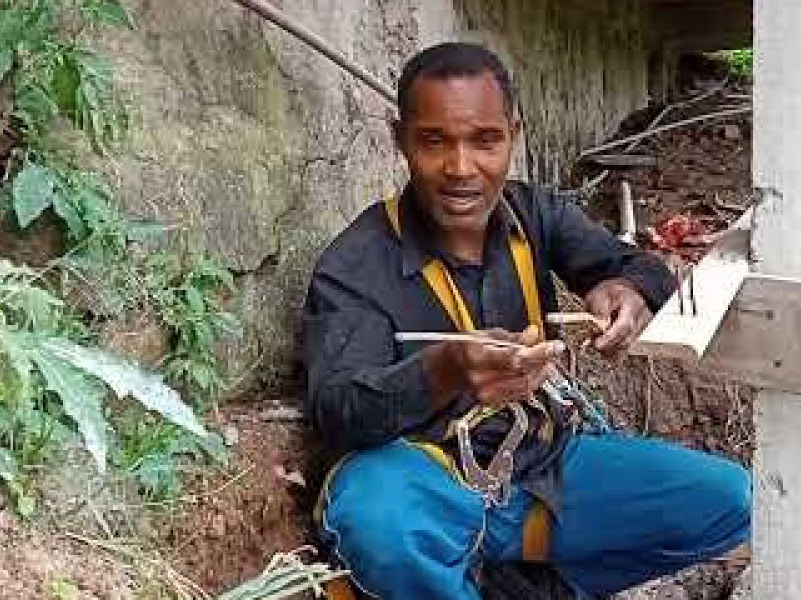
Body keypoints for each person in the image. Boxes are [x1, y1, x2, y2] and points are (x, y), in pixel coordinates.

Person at [302, 42, 751, 600]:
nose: (461, 169)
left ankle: (530, 589)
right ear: (400, 140)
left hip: (543, 472)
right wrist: (446, 371)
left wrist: (627, 291)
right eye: (434, 142)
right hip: (427, 488)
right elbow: (339, 412)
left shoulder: (533, 213)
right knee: (374, 519)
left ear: (513, 133)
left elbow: (636, 267)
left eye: (485, 141)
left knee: (730, 500)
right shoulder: (354, 266)